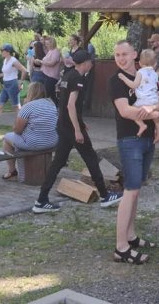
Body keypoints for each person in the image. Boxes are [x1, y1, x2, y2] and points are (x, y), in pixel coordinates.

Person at [33, 50, 123, 213]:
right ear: (85, 63)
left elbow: (65, 103)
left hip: (63, 125)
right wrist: (77, 129)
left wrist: (80, 122)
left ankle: (41, 200)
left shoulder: (68, 75)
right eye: (91, 61)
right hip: (70, 128)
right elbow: (70, 105)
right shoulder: (78, 78)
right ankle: (104, 196)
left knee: (58, 162)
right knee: (91, 158)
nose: (92, 64)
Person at [110, 40, 159, 265]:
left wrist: (152, 109)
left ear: (134, 54)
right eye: (117, 55)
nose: (120, 58)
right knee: (130, 190)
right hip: (129, 139)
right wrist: (154, 113)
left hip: (147, 139)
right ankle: (121, 247)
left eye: (124, 54)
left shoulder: (147, 74)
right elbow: (125, 111)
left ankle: (131, 235)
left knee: (136, 189)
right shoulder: (116, 80)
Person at [1, 82, 58, 180]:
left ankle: (12, 172)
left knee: (7, 138)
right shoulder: (52, 104)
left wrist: (23, 107)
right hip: (52, 142)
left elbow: (17, 130)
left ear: (31, 92)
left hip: (34, 144)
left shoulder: (28, 106)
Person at [116, 48, 159, 140]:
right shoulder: (155, 74)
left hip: (143, 100)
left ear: (140, 63)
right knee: (156, 117)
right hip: (154, 99)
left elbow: (133, 85)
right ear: (155, 64)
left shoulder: (140, 72)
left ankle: (141, 125)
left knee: (132, 111)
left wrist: (123, 78)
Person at [0, 43, 28, 133]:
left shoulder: (13, 60)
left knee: (16, 107)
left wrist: (20, 82)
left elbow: (24, 70)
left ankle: (22, 126)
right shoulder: (5, 60)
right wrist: (0, 75)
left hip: (13, 85)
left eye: (2, 50)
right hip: (5, 85)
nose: (1, 52)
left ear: (8, 52)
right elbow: (7, 72)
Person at [40, 36, 62, 101]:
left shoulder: (56, 51)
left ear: (52, 44)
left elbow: (52, 63)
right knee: (46, 93)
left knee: (50, 94)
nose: (46, 45)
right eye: (46, 44)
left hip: (51, 76)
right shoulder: (50, 51)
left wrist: (41, 62)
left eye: (48, 44)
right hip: (46, 74)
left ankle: (53, 105)